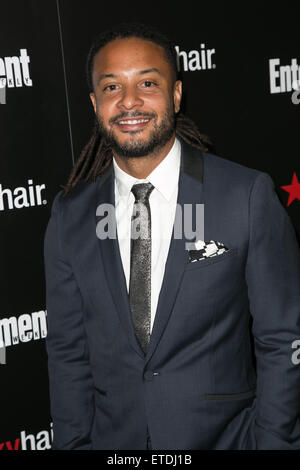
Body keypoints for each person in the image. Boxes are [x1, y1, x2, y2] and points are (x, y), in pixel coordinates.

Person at [43, 22, 300, 450]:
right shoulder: (70, 217)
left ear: (176, 94)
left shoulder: (245, 196)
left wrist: (272, 441)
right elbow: (68, 356)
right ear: (94, 104)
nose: (129, 101)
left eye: (147, 82)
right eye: (111, 87)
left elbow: (284, 337)